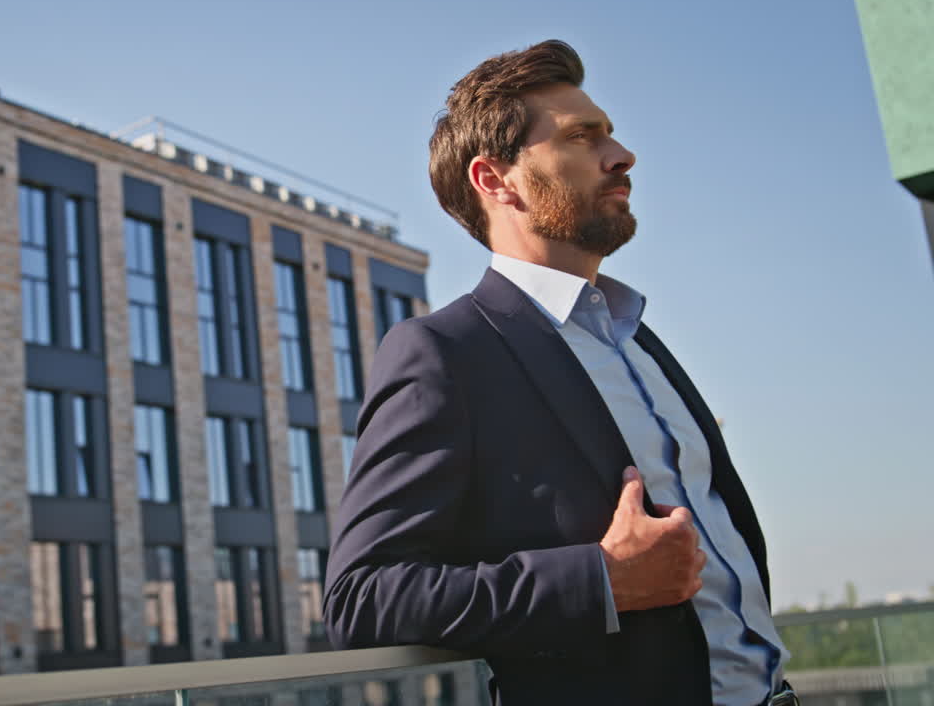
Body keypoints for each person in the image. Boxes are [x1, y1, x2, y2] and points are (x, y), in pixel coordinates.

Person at [322, 40, 796, 706]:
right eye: (582, 137)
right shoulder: (446, 353)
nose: (622, 154)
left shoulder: (640, 339)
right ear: (497, 180)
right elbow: (362, 598)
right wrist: (601, 579)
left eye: (611, 133)